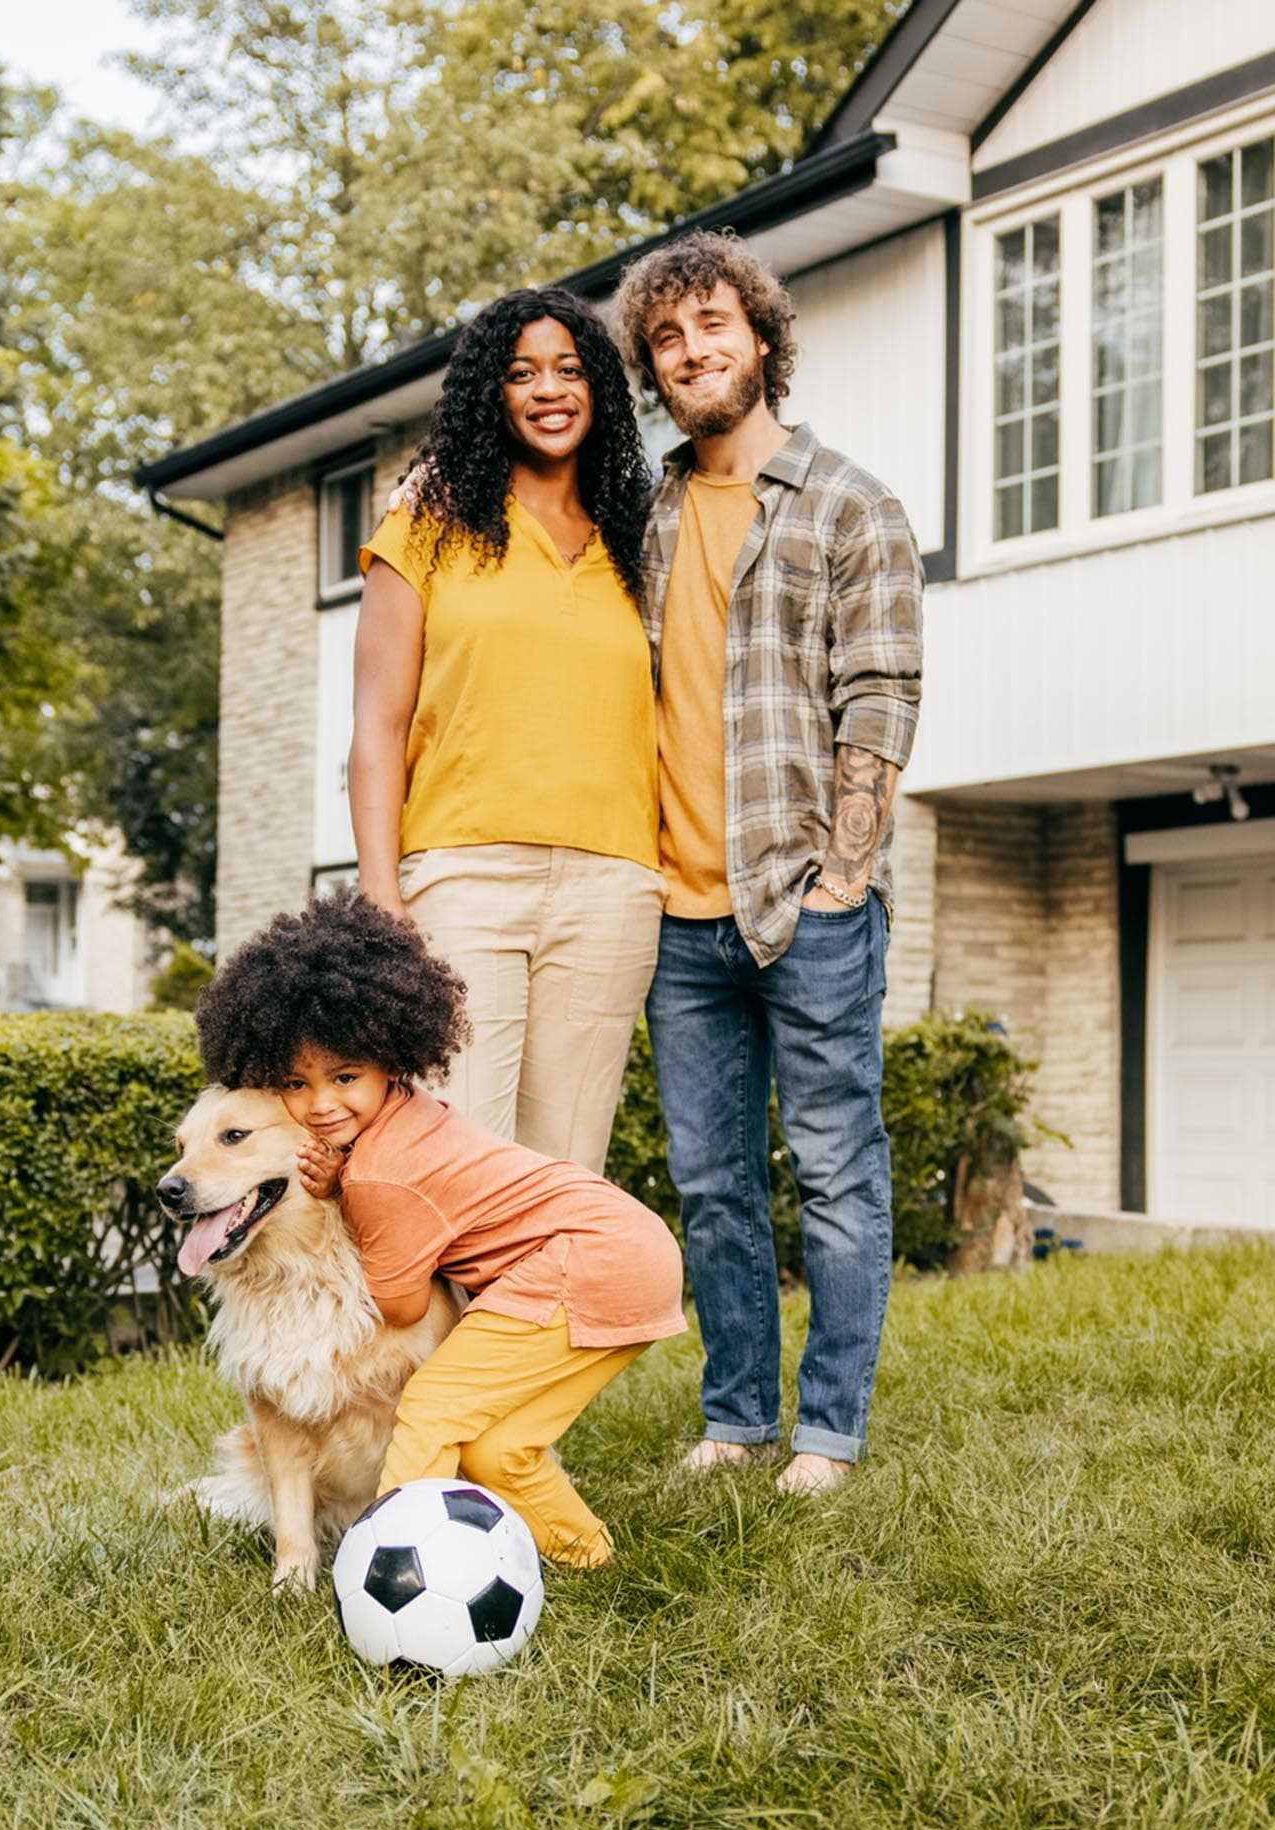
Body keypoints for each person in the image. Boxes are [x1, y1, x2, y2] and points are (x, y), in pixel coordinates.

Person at [612, 230, 925, 1498]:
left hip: (806, 902)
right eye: (669, 339)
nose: (694, 352)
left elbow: (881, 696)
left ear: (761, 337)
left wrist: (841, 879)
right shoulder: (643, 514)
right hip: (673, 917)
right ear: (655, 366)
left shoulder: (850, 503)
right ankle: (736, 1413)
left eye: (713, 326)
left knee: (840, 1172)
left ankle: (828, 1431)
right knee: (713, 1185)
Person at [195, 895, 687, 1566]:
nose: (321, 1104)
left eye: (344, 1077)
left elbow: (399, 1307)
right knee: (498, 1448)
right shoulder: (414, 1114)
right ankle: (590, 1559)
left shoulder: (381, 1178)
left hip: (583, 1260)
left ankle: (395, 1560)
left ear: (392, 1057)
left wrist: (348, 1194)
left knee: (432, 1403)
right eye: (295, 1084)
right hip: (636, 1251)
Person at [349, 287, 663, 1176]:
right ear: (492, 394)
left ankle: (535, 1326)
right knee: (453, 1166)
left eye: (569, 369)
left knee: (564, 1177)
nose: (548, 390)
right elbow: (377, 724)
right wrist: (382, 894)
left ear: (600, 388)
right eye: (521, 374)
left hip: (612, 887)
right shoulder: (430, 521)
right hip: (464, 879)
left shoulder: (637, 539)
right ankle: (444, 1327)